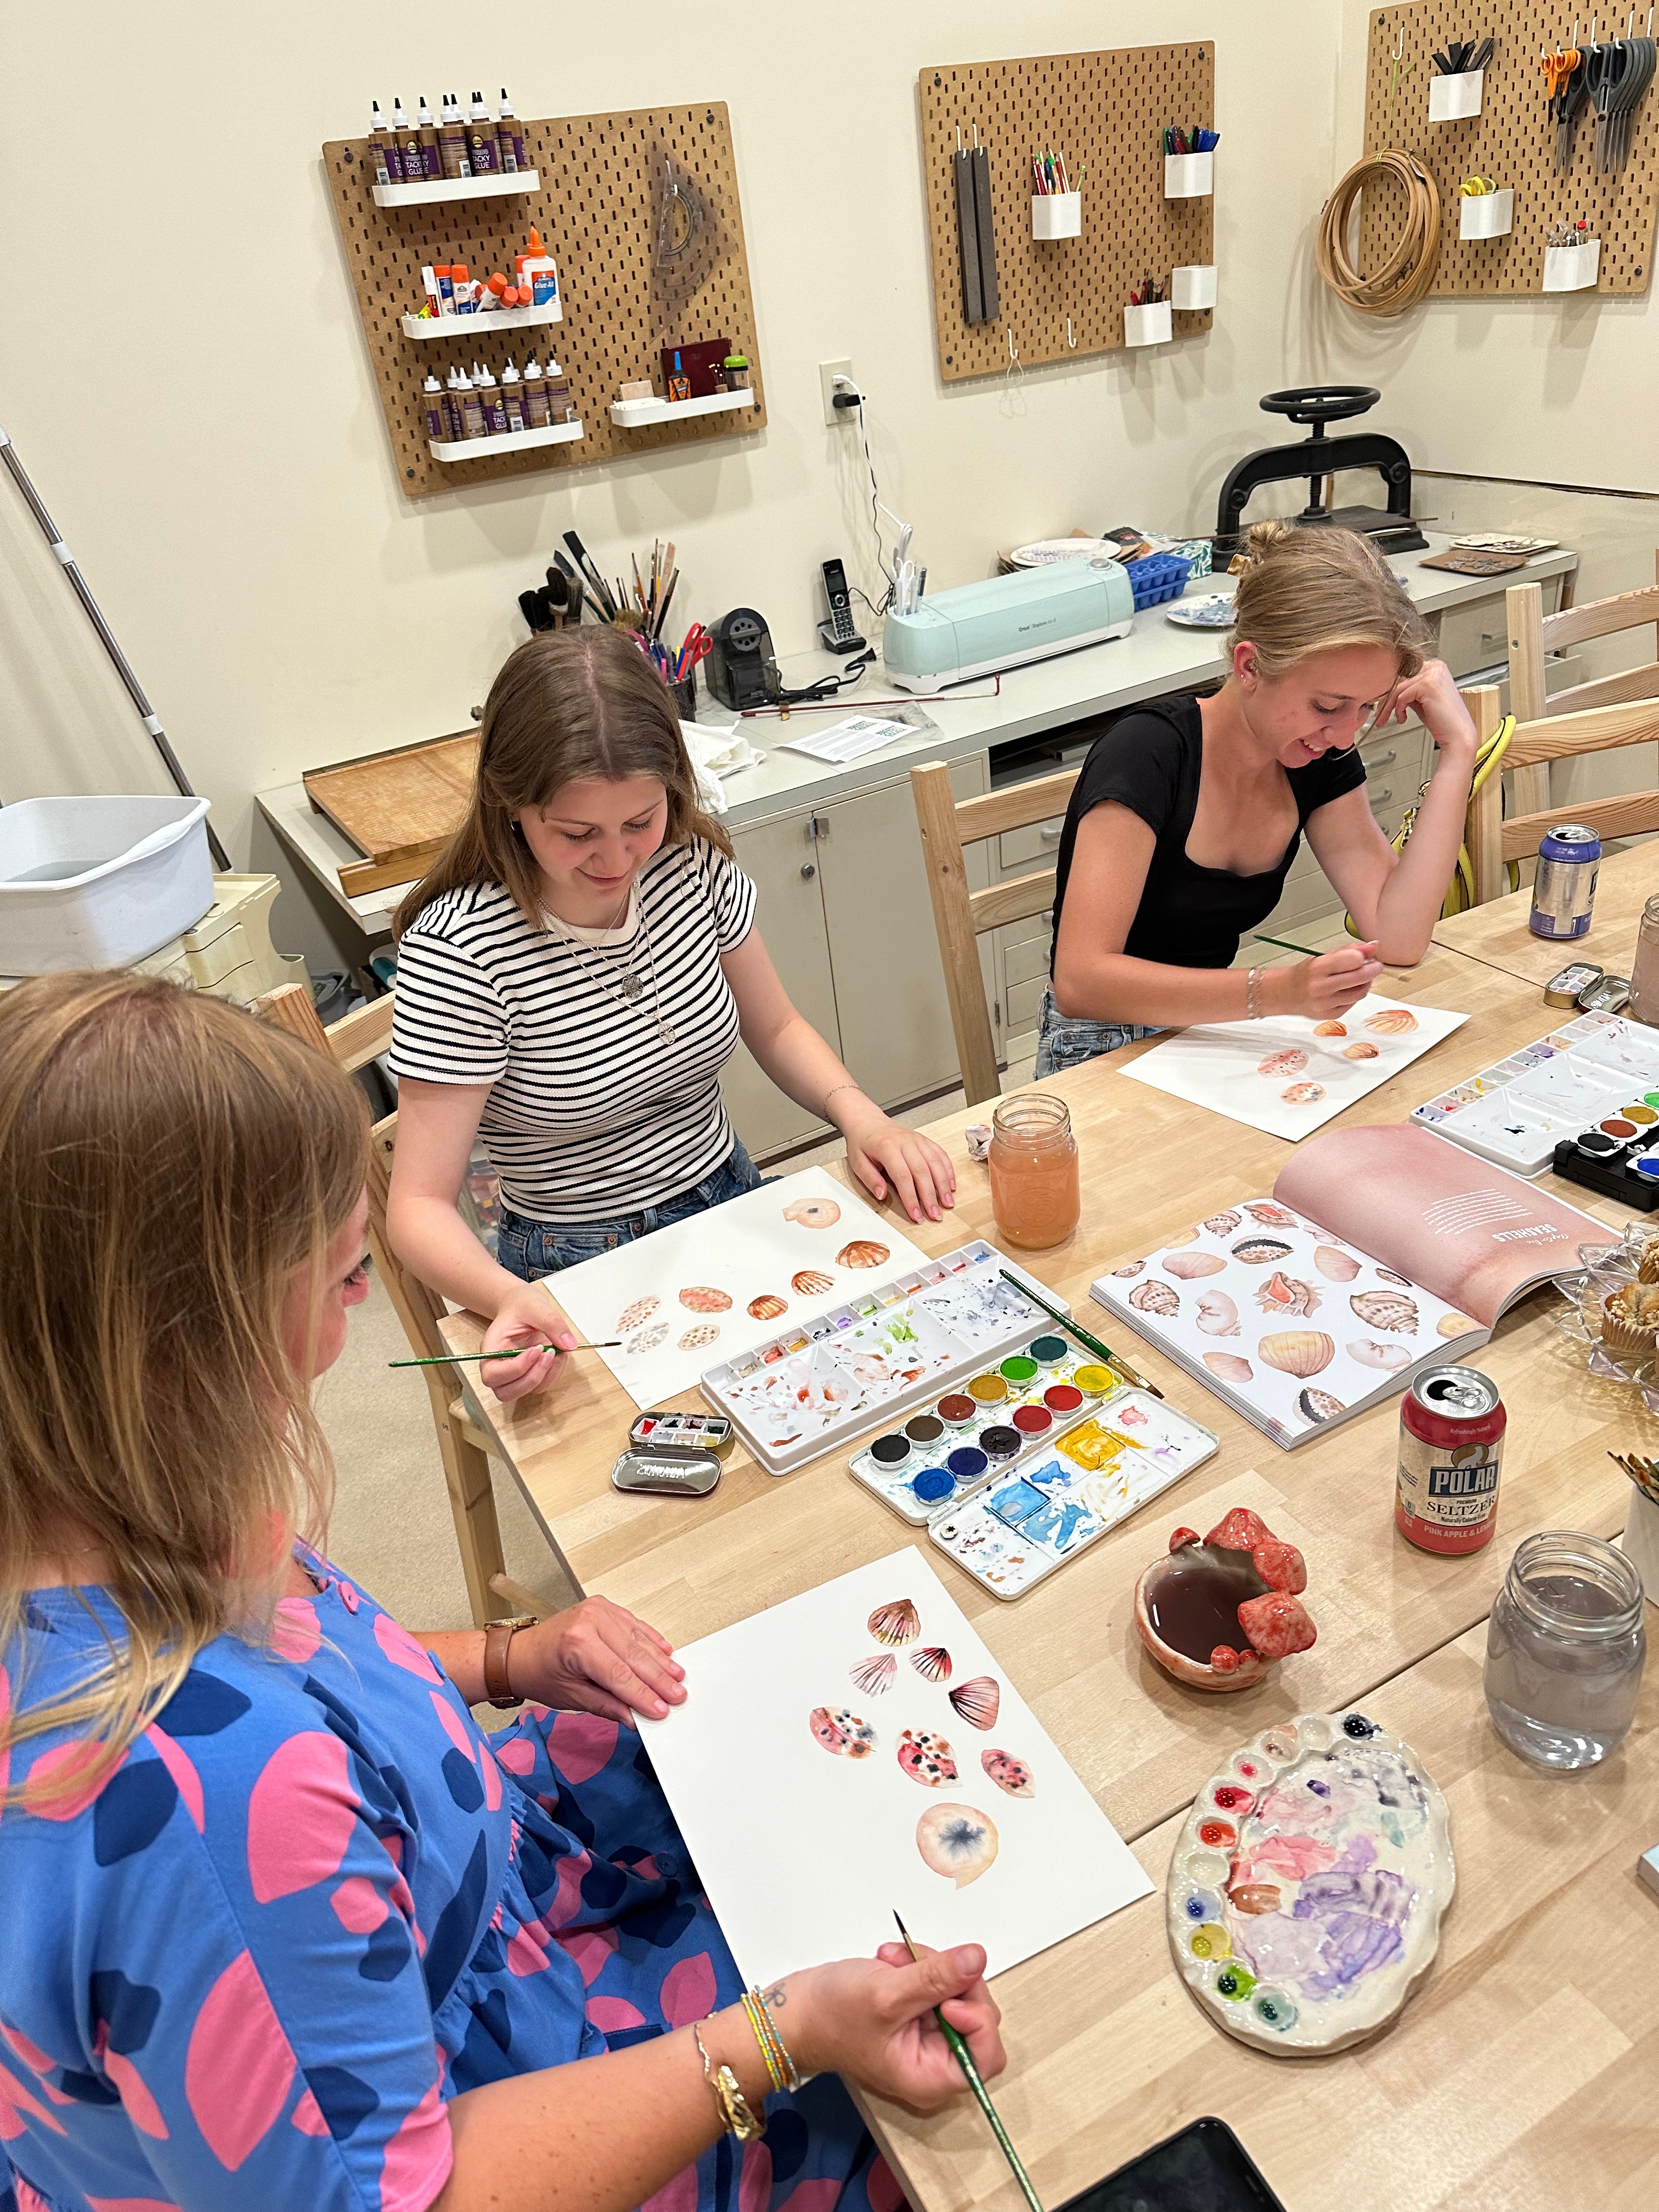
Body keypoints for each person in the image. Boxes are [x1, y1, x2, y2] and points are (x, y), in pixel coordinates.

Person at [0, 973, 1003, 2212]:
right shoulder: (213, 1807)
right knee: (953, 2117)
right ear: (188, 1346)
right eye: (344, 1280)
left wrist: (506, 1660)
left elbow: (291, 1662)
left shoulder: (91, 1502)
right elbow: (404, 2196)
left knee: (729, 1721)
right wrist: (783, 2037)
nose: (353, 1313)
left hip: (444, 1898)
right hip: (479, 2108)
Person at [387, 628, 955, 1404]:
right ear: (510, 804)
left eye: (640, 821)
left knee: (876, 1381)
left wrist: (862, 1117)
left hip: (730, 1195)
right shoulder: (462, 951)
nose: (617, 860)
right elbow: (418, 1206)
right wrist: (503, 1296)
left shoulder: (690, 865)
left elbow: (778, 1027)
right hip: (574, 1258)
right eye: (577, 833)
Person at [1036, 521, 1479, 1077]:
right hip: (1098, 1048)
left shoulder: (1317, 758)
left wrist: (1459, 751)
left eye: (1365, 708)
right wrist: (1277, 992)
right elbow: (1081, 983)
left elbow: (1400, 938)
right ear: (1249, 667)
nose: (1345, 735)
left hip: (1205, 1033)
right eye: (1327, 706)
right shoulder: (1147, 754)